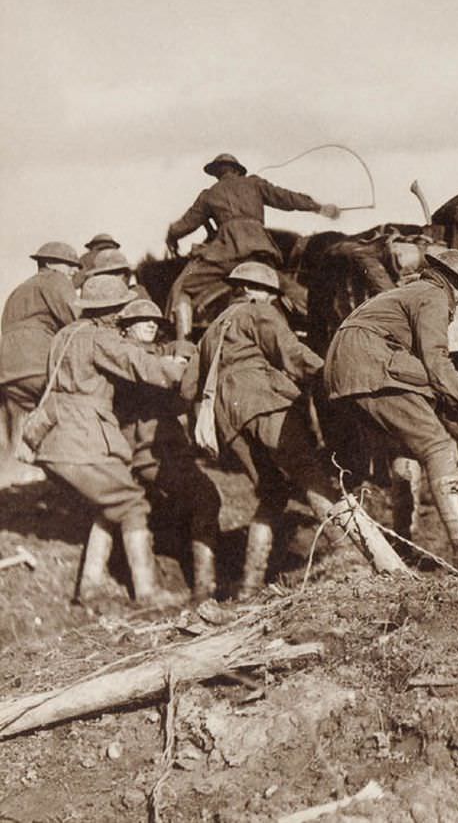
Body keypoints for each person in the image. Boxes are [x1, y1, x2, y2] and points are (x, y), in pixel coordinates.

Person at [324, 249, 458, 571]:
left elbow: (419, 368)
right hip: (372, 368)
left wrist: (453, 402)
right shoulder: (433, 295)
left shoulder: (408, 292)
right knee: (439, 446)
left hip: (347, 376)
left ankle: (402, 544)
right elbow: (436, 362)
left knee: (405, 452)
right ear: (454, 282)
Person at [179, 262, 348, 597]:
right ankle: (350, 554)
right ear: (263, 292)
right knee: (308, 471)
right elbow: (292, 353)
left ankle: (250, 585)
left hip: (227, 422)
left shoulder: (212, 330)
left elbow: (187, 388)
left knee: (272, 492)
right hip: (264, 402)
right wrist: (335, 373)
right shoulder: (260, 312)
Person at [32, 275, 190, 607]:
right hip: (85, 436)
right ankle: (148, 591)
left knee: (109, 505)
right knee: (132, 503)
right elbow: (138, 364)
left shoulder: (64, 335)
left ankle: (89, 585)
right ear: (110, 310)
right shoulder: (99, 337)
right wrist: (176, 369)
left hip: (55, 439)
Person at [164, 153, 342, 339]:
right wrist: (318, 207)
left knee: (182, 288)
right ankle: (317, 314)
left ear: (217, 172)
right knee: (283, 284)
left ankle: (182, 346)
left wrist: (171, 236)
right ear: (237, 170)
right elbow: (285, 197)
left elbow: (186, 224)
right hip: (261, 251)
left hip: (226, 254)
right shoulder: (254, 183)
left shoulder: (209, 194)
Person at [114, 299, 222, 601]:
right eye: (142, 320)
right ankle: (205, 587)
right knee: (206, 497)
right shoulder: (134, 359)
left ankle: (195, 585)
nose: (151, 324)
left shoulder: (143, 354)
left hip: (154, 451)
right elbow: (168, 398)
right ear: (126, 327)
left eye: (155, 320)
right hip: (152, 453)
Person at [0, 242, 80, 461]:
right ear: (50, 263)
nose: (75, 270)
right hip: (35, 359)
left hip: (7, 370)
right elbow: (78, 320)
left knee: (48, 417)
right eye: (70, 264)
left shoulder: (21, 289)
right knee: (80, 406)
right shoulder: (56, 280)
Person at [83, 248, 152, 299]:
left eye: (116, 274)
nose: (111, 279)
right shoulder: (93, 298)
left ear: (126, 275)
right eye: (105, 275)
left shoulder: (138, 294)